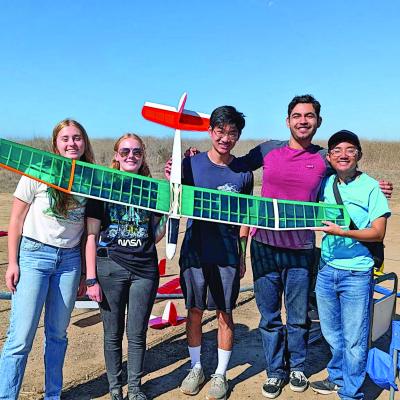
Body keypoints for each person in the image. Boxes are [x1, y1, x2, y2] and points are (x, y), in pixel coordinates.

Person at [232, 95, 393, 398]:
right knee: (268, 317)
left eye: (309, 116)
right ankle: (275, 372)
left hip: (301, 251)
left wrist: (381, 185)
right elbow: (232, 165)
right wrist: (190, 161)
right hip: (264, 247)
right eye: (296, 115)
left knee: (298, 317)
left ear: (318, 121)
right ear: (287, 120)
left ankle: (297, 368)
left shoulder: (324, 158)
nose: (302, 120)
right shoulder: (268, 149)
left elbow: (352, 177)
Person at [0, 119, 95, 400]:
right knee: (20, 338)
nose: (71, 143)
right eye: (65, 138)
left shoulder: (91, 179)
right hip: (33, 256)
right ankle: (7, 395)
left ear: (84, 142)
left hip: (69, 262)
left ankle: (53, 395)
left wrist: (81, 274)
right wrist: (13, 262)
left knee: (57, 335)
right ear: (56, 143)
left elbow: (86, 231)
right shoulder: (37, 170)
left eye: (77, 138)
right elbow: (16, 220)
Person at [176, 106, 254, 400]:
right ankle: (196, 368)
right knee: (194, 311)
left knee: (225, 313)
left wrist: (242, 253)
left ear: (237, 136)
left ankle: (220, 374)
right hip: (194, 252)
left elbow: (246, 217)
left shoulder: (244, 173)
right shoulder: (191, 165)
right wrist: (174, 170)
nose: (225, 138)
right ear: (211, 132)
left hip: (227, 255)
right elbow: (175, 198)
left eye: (232, 132)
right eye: (220, 131)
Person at [85, 133, 166, 400]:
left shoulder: (151, 189)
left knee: (137, 333)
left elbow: (155, 234)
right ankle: (114, 387)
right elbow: (91, 235)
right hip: (110, 268)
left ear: (142, 156)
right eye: (125, 151)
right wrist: (91, 279)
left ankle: (134, 387)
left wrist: (168, 211)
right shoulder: (103, 187)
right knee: (112, 332)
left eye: (137, 152)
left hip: (144, 270)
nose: (131, 156)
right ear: (116, 156)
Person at [310, 130, 390, 399]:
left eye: (350, 150)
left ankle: (351, 393)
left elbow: (378, 232)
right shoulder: (325, 184)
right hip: (326, 269)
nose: (343, 155)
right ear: (329, 157)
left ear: (359, 155)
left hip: (356, 272)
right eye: (337, 151)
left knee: (355, 336)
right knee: (331, 332)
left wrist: (343, 232)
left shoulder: (371, 187)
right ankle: (337, 377)